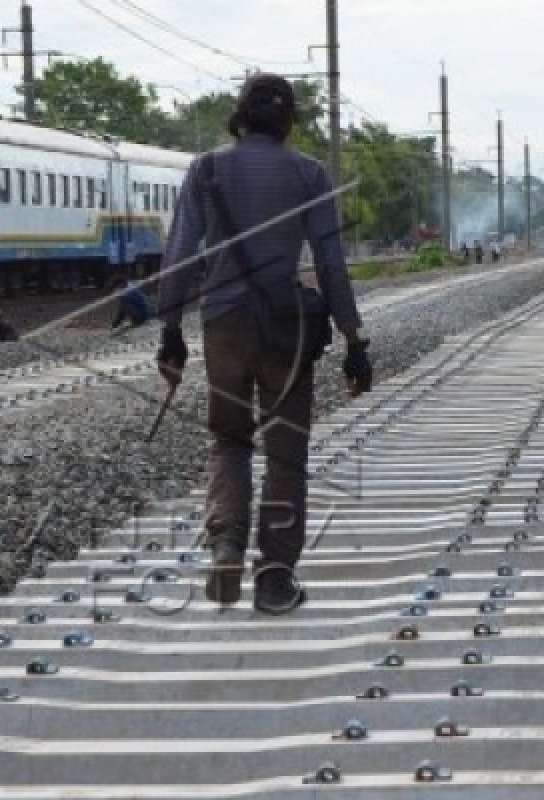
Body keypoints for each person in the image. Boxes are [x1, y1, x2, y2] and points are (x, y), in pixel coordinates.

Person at [156, 73, 373, 615]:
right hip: (286, 331)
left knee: (229, 440)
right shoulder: (310, 173)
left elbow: (180, 252)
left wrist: (170, 332)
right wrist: (353, 339)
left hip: (224, 323)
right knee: (286, 454)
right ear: (289, 121)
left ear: (240, 116)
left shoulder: (205, 170)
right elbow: (330, 265)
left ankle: (226, 543)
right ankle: (274, 579)